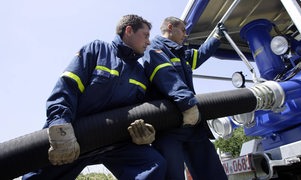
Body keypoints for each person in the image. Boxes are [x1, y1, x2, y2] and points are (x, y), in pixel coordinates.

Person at [22, 14, 166, 180]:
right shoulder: (97, 50)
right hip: (75, 134)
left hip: (116, 141)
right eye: (146, 35)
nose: (149, 42)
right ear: (129, 30)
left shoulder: (141, 73)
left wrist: (146, 134)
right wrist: (60, 125)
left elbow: (145, 111)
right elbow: (68, 87)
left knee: (153, 164)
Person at [142, 16, 228, 180]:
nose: (185, 34)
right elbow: (166, 75)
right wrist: (188, 104)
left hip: (193, 123)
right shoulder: (154, 48)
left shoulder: (180, 53)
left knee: (212, 172)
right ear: (170, 27)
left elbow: (199, 56)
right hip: (169, 126)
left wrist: (216, 38)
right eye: (183, 30)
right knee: (173, 175)